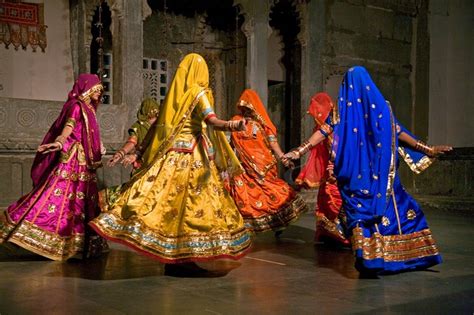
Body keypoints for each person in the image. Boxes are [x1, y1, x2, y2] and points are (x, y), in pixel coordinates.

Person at [284, 66, 452, 274]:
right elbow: (398, 133)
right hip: (380, 178)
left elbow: (323, 132)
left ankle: (371, 259)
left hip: (359, 177)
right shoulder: (376, 108)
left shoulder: (347, 110)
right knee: (396, 212)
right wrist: (428, 149)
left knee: (365, 216)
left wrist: (298, 151)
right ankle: (394, 258)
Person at [90, 53, 252, 264]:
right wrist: (233, 125)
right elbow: (211, 120)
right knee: (193, 206)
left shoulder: (174, 98)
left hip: (171, 155)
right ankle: (187, 255)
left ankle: (171, 253)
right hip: (194, 156)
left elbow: (155, 129)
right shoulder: (199, 93)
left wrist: (138, 153)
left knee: (164, 203)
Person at [0, 74, 108, 261]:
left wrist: (100, 146)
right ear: (88, 89)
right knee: (57, 196)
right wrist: (58, 143)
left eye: (100, 91)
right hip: (73, 159)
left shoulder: (90, 108)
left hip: (86, 163)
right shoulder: (77, 106)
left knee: (83, 201)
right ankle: (40, 234)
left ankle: (80, 244)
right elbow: (69, 127)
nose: (99, 94)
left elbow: (88, 133)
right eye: (97, 90)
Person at [227, 89, 307, 233]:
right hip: (250, 165)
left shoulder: (250, 123)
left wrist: (283, 158)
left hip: (260, 165)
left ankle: (270, 221)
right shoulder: (244, 122)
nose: (246, 110)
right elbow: (232, 144)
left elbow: (272, 143)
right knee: (252, 191)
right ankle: (258, 222)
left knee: (262, 190)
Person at [294, 92, 349, 246]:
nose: (315, 116)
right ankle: (327, 234)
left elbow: (337, 150)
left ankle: (342, 235)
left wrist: (333, 167)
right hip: (328, 173)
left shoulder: (335, 127)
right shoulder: (320, 128)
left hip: (338, 172)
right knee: (325, 200)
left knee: (335, 200)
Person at [100, 98, 160, 210]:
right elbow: (132, 142)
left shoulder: (161, 126)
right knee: (137, 194)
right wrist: (121, 153)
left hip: (158, 164)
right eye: (152, 115)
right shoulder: (139, 126)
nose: (154, 119)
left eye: (156, 115)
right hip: (141, 165)